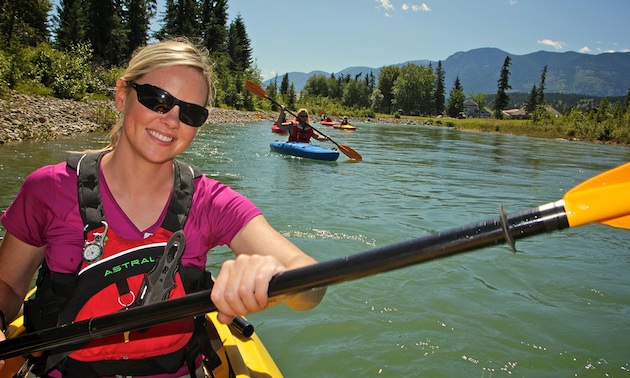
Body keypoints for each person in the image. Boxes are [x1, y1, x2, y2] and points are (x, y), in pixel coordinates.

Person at [0, 38, 325, 377]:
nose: (171, 120)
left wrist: (272, 280)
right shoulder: (48, 188)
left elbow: (312, 287)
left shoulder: (211, 200)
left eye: (190, 112)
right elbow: (7, 287)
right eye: (158, 99)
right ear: (122, 95)